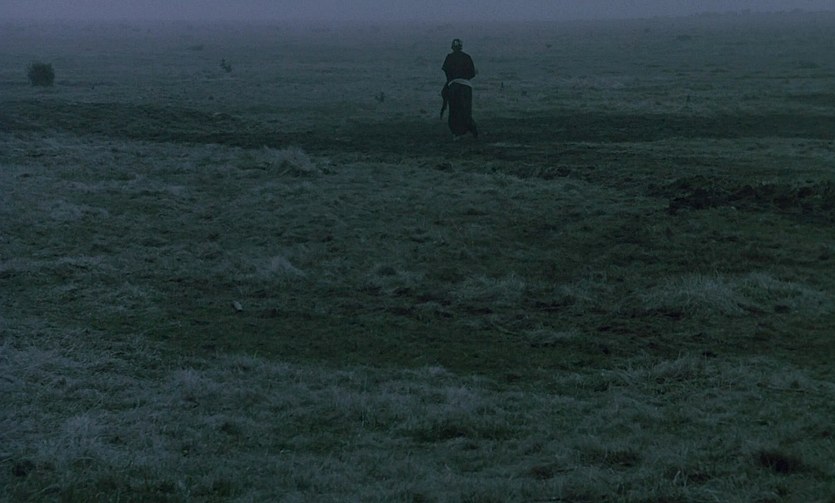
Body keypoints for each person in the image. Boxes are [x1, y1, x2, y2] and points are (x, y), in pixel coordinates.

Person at [441, 38, 478, 139]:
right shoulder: (467, 57)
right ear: (461, 47)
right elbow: (471, 74)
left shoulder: (449, 57)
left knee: (453, 110)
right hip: (466, 86)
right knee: (466, 110)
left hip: (453, 86)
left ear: (452, 47)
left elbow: (447, 73)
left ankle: (456, 133)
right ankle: (471, 130)